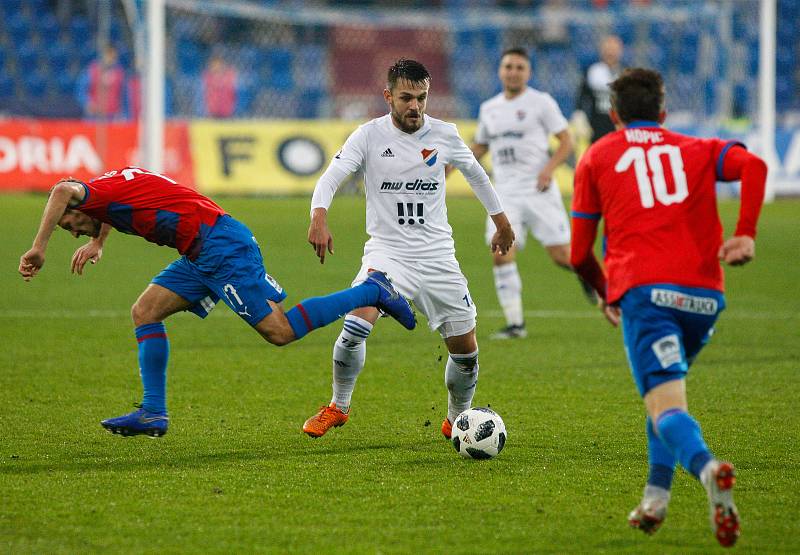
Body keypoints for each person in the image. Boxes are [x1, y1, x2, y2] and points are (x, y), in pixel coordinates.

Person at [18, 166, 415, 438]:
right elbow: (96, 204)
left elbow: (61, 190)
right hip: (199, 253)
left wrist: (39, 247)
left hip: (220, 247)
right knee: (145, 311)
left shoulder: (84, 194)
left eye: (68, 225)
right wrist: (98, 240)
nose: (71, 231)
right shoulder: (104, 191)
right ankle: (153, 411)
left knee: (279, 331)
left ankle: (373, 291)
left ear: (75, 208)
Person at [570, 68, 767, 547]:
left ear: (613, 114)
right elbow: (755, 167)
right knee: (664, 399)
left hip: (645, 292)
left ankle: (708, 469)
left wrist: (605, 293)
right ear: (663, 111)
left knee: (665, 405)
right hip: (704, 297)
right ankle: (655, 499)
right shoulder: (697, 148)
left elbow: (579, 254)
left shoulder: (597, 156)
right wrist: (745, 232)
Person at [302, 58, 515, 439]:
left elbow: (477, 175)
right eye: (406, 98)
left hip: (437, 257)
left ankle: (458, 420)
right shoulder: (368, 136)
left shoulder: (444, 134)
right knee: (355, 325)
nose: (415, 106)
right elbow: (331, 177)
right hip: (387, 254)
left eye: (422, 98)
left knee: (465, 353)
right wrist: (319, 216)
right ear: (388, 97)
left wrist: (502, 221)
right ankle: (338, 406)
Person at [466, 47, 594, 340]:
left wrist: (549, 169)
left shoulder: (541, 103)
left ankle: (591, 275)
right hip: (505, 193)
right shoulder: (490, 108)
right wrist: (451, 164)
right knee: (501, 251)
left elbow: (566, 141)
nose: (513, 71)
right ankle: (515, 324)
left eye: (519, 67)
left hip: (539, 190)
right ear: (500, 71)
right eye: (508, 66)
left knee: (562, 255)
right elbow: (482, 145)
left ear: (528, 73)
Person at [574, 35, 624, 143]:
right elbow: (582, 95)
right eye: (607, 49)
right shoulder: (592, 71)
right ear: (601, 51)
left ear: (620, 51)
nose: (610, 53)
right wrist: (579, 115)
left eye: (614, 50)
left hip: (619, 126)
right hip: (597, 125)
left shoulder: (626, 73)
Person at [82, 45, 125, 119]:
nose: (110, 59)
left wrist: (124, 113)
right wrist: (88, 103)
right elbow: (81, 90)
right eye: (108, 55)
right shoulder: (92, 70)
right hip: (95, 116)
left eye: (113, 56)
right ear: (103, 55)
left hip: (113, 115)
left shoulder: (119, 72)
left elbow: (124, 95)